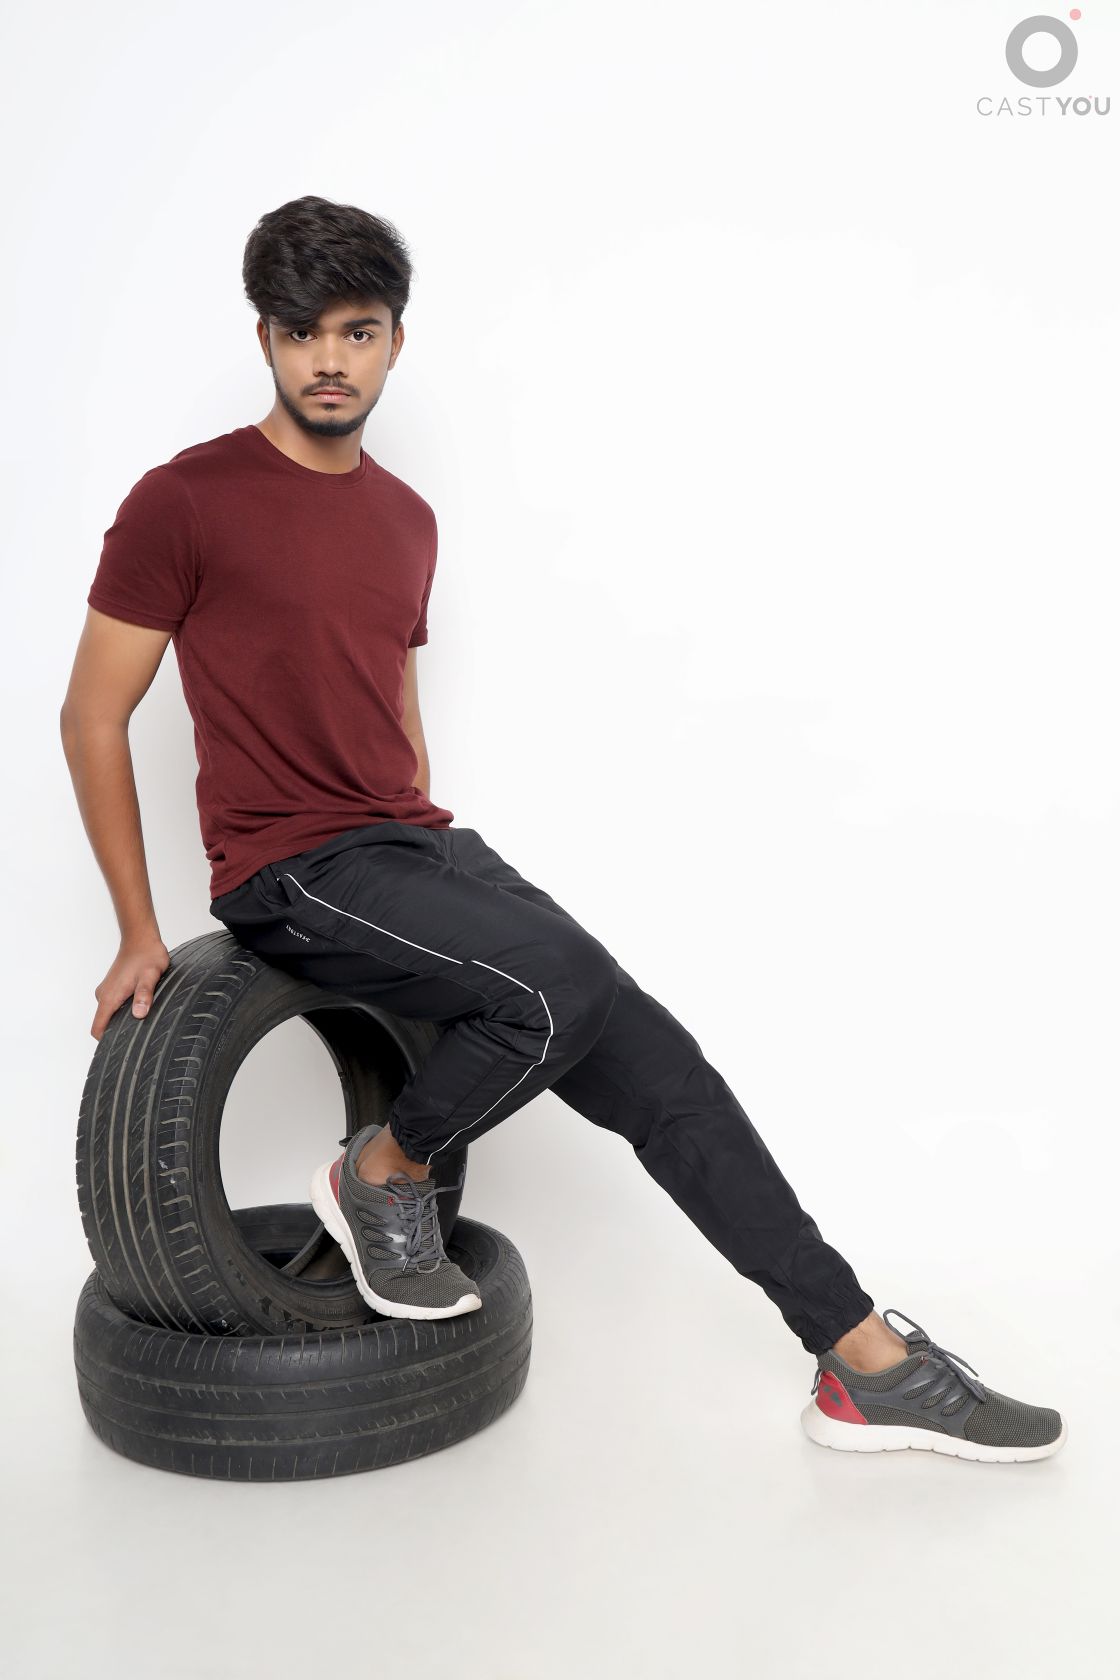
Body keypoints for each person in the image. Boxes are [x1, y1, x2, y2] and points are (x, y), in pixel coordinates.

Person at [60, 194, 1065, 1462]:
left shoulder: (405, 518)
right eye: (302, 332)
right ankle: (382, 1173)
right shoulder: (185, 500)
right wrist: (137, 929)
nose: (329, 360)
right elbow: (94, 714)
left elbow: (390, 699)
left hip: (410, 845)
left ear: (395, 341)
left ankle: (865, 1360)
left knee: (662, 1069)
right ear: (264, 338)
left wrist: (433, 863)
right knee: (558, 986)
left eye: (357, 331)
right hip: (290, 863)